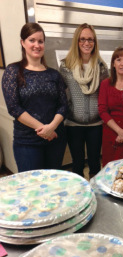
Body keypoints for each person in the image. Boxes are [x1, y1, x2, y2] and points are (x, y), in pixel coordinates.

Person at [2, 23, 68, 172]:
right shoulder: (12, 71)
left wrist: (51, 128)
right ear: (22, 43)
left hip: (56, 139)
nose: (37, 45)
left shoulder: (54, 74)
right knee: (32, 187)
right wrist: (43, 129)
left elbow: (63, 105)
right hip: (27, 142)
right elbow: (14, 108)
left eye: (40, 41)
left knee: (53, 184)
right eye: (32, 40)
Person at [60, 23, 109, 179]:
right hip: (73, 124)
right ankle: (80, 197)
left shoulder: (101, 67)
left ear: (94, 42)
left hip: (96, 124)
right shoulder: (66, 66)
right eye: (82, 39)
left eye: (90, 39)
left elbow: (106, 95)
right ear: (77, 41)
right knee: (77, 163)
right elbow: (60, 95)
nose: (86, 43)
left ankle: (97, 198)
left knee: (95, 162)